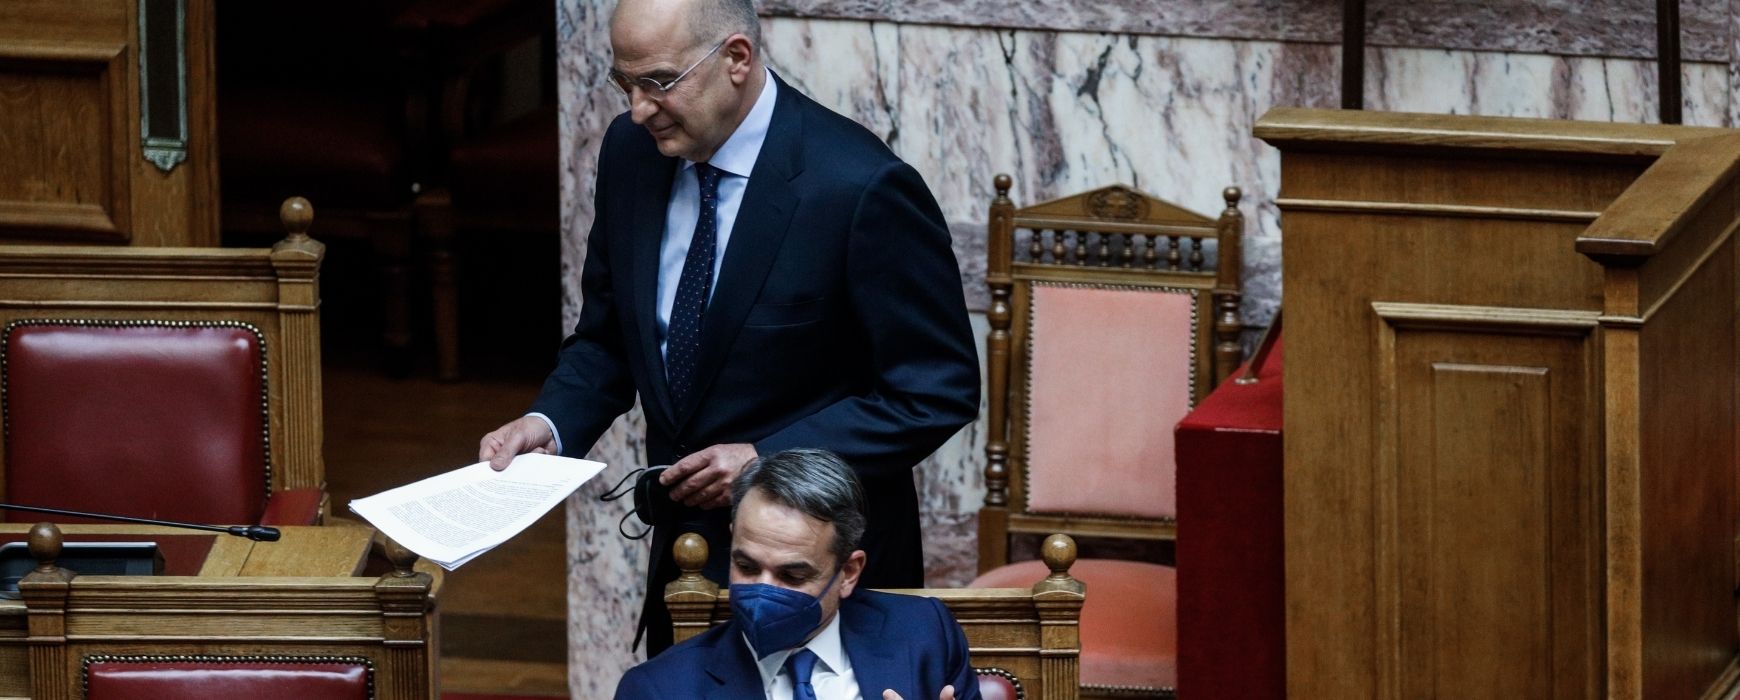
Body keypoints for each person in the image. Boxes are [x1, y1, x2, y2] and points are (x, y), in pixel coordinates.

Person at [476, 0, 980, 655]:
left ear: (736, 59)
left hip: (821, 580)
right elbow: (609, 338)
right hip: (684, 571)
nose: (638, 109)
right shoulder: (631, 153)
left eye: (658, 82)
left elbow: (935, 389)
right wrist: (550, 423)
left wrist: (766, 458)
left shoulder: (859, 186)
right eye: (624, 82)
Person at [614, 449, 978, 700]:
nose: (763, 590)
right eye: (747, 566)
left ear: (848, 573)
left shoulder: (923, 634)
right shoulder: (660, 689)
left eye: (792, 575)